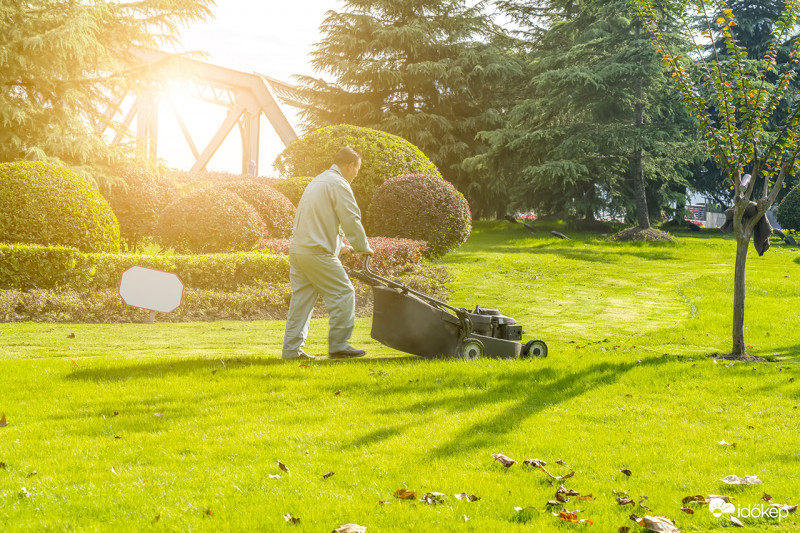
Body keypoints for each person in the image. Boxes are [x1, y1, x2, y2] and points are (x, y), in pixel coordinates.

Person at [281, 146, 373, 360]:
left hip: (300, 250)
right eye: (357, 170)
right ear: (350, 166)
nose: (356, 175)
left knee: (302, 300)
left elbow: (319, 220)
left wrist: (341, 247)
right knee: (344, 291)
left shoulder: (319, 181)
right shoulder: (339, 184)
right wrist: (363, 247)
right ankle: (339, 345)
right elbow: (350, 218)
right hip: (316, 252)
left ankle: (291, 351)